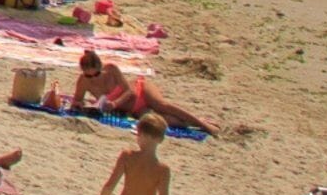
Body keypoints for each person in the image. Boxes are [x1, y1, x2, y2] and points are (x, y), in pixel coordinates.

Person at [66, 47, 216, 133]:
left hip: (140, 90)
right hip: (133, 110)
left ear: (100, 68)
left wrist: (115, 104)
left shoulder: (111, 69)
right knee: (166, 121)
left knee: (161, 105)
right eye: (89, 75)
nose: (94, 78)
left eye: (96, 74)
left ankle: (204, 125)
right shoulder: (84, 81)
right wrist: (79, 105)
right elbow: (77, 100)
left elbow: (129, 91)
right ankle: (196, 122)